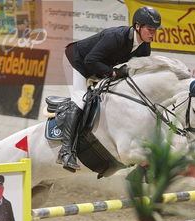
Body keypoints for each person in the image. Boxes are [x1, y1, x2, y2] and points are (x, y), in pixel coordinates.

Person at [58, 6, 162, 172]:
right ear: (137, 26)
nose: (152, 34)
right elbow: (90, 61)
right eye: (149, 29)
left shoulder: (144, 47)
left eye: (155, 30)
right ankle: (66, 152)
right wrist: (112, 72)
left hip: (98, 67)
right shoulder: (115, 36)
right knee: (79, 100)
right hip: (77, 62)